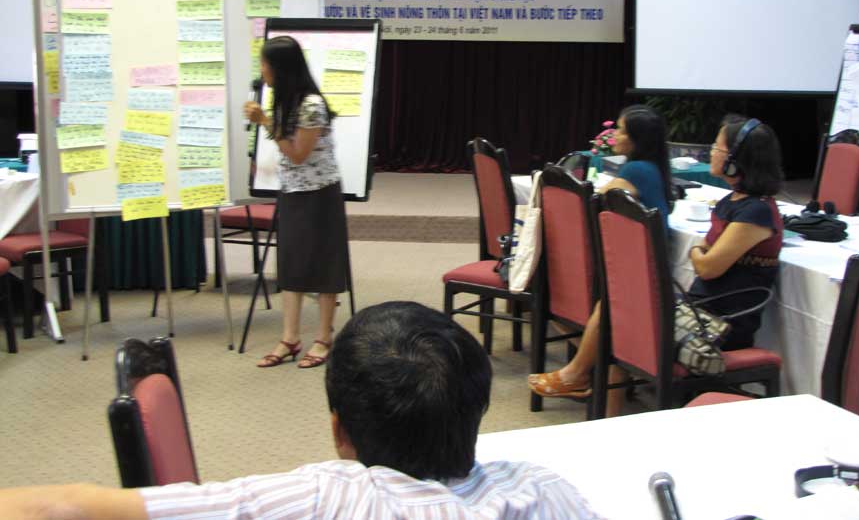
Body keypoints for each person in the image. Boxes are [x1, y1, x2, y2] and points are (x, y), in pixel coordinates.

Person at [0, 302, 602, 520]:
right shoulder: (543, 490)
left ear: (340, 431)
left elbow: (59, 509)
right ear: (476, 411)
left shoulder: (322, 498)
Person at [529, 104, 674, 411]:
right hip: (645, 268)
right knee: (605, 302)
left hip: (641, 273)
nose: (614, 136)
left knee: (590, 299)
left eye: (620, 130)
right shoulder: (653, 168)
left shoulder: (636, 170)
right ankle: (591, 372)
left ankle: (579, 372)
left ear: (636, 138)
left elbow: (596, 202)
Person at [243, 36, 349, 369]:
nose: (262, 71)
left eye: (265, 64)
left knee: (323, 263)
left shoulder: (311, 105)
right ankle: (289, 338)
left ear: (280, 68)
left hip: (319, 193)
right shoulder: (283, 101)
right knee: (291, 264)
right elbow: (287, 154)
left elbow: (298, 154)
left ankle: (323, 338)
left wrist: (265, 123)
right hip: (291, 192)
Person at [688, 114, 784, 350]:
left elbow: (707, 268)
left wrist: (695, 250)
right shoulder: (731, 201)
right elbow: (705, 256)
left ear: (735, 159)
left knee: (631, 329)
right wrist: (700, 252)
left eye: (717, 148)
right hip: (702, 311)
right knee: (623, 319)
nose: (711, 152)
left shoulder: (756, 212)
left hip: (723, 323)